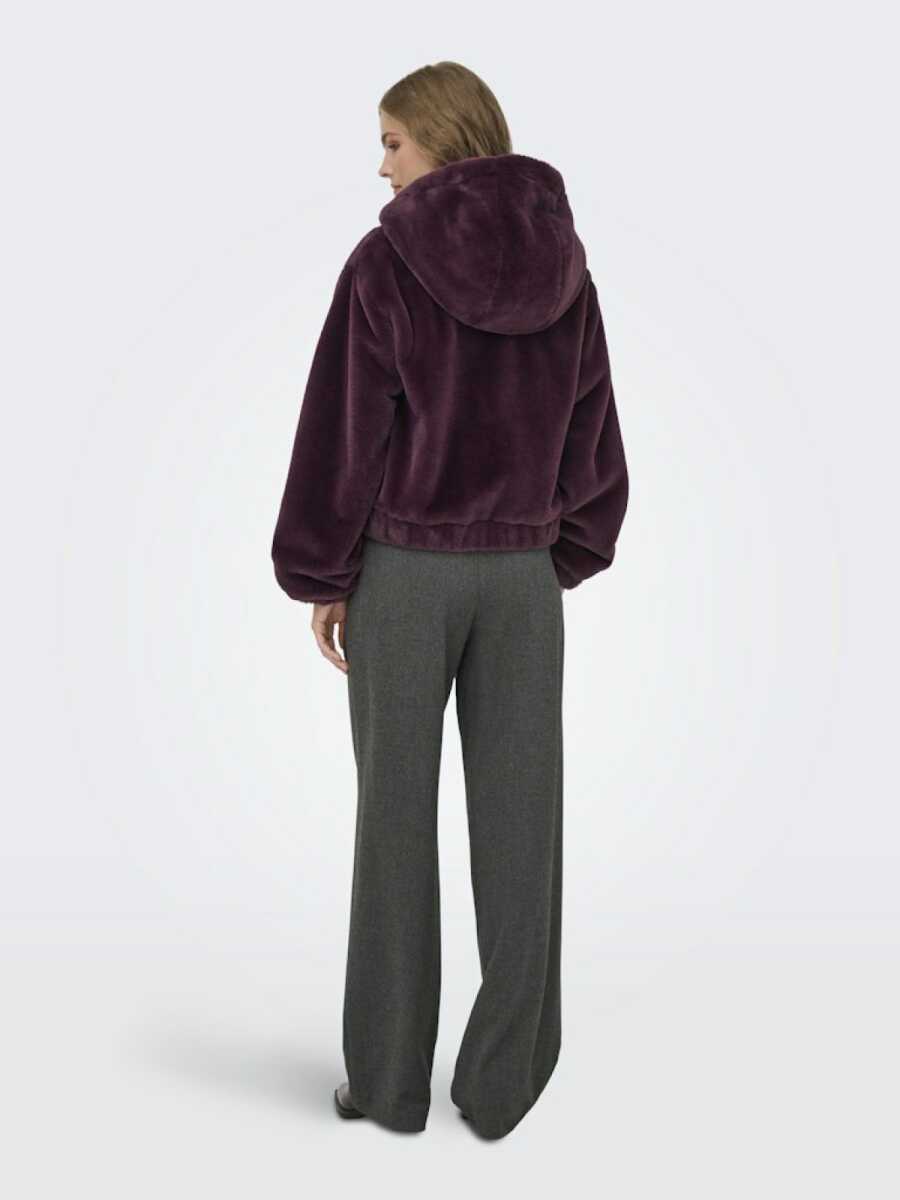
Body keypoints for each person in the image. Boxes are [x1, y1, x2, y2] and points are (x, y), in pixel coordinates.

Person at [270, 60, 629, 1140]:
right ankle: (503, 1083)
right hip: (522, 582)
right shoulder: (567, 269)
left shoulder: (385, 262)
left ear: (441, 137)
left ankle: (387, 1084)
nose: (382, 167)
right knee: (524, 827)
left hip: (406, 573)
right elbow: (594, 435)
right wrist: (555, 550)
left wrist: (323, 570)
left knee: (394, 822)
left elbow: (345, 431)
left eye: (393, 142)